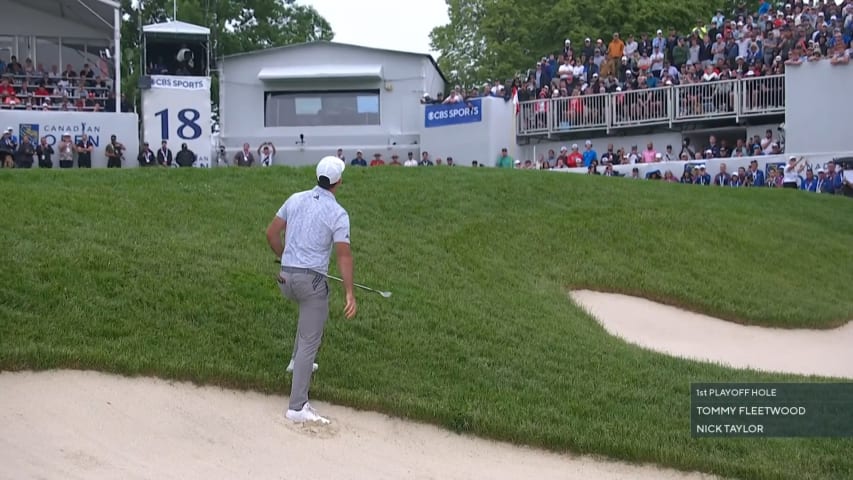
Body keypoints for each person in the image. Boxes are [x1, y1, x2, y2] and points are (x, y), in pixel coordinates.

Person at [265, 155, 357, 424]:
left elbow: (271, 234)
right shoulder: (338, 213)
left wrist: (286, 258)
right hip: (311, 284)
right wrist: (350, 292)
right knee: (310, 342)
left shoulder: (295, 198)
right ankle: (297, 407)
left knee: (306, 322)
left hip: (285, 279)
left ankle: (296, 362)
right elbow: (343, 255)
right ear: (339, 182)